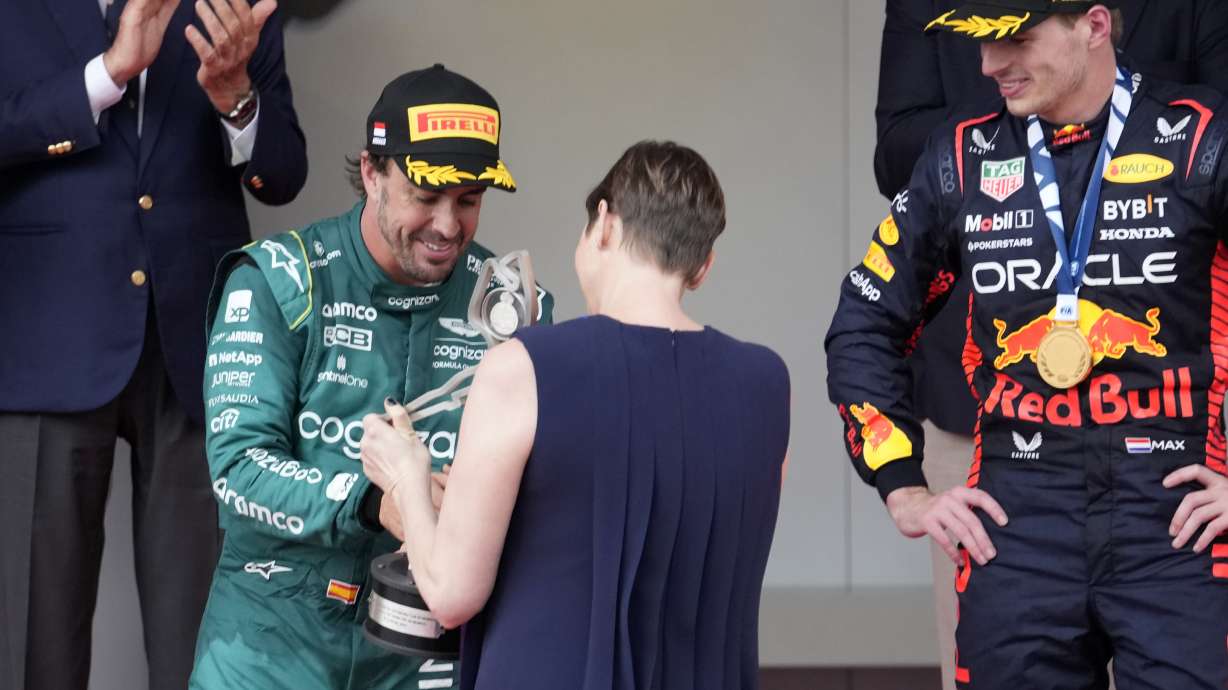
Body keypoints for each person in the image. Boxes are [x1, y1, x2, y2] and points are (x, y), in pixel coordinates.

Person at [828, 1, 1228, 687]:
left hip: (1176, 519)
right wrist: (904, 489)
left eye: (1015, 41)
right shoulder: (961, 157)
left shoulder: (1201, 141)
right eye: (981, 47)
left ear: (1094, 27)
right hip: (1014, 519)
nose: (988, 67)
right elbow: (866, 320)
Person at [360, 140, 791, 690]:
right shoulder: (766, 383)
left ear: (604, 225)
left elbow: (449, 593)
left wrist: (405, 477)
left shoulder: (523, 366)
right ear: (703, 267)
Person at [188, 64, 553, 690]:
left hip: (426, 649)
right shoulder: (281, 279)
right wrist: (377, 502)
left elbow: (548, 483)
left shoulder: (512, 307)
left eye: (468, 201)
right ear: (371, 173)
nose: (447, 226)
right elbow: (239, 467)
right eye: (425, 195)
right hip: (270, 639)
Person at [0, 0, 307, 687]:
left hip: (199, 345)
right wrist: (106, 76)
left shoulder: (235, 5)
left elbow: (283, 175)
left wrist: (237, 101)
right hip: (46, 332)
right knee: (32, 637)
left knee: (204, 641)